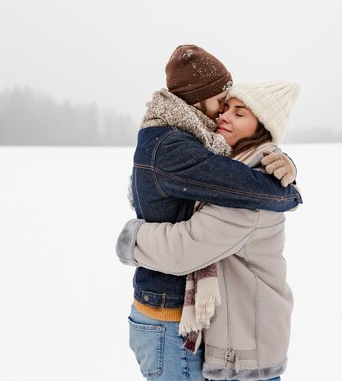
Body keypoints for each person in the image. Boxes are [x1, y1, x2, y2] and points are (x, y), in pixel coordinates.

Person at [122, 45, 302, 381]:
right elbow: (241, 187)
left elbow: (235, 184)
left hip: (234, 341)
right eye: (222, 101)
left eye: (238, 111)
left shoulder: (197, 144)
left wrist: (285, 171)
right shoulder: (175, 145)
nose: (222, 113)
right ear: (199, 97)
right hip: (168, 318)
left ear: (261, 127)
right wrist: (285, 190)